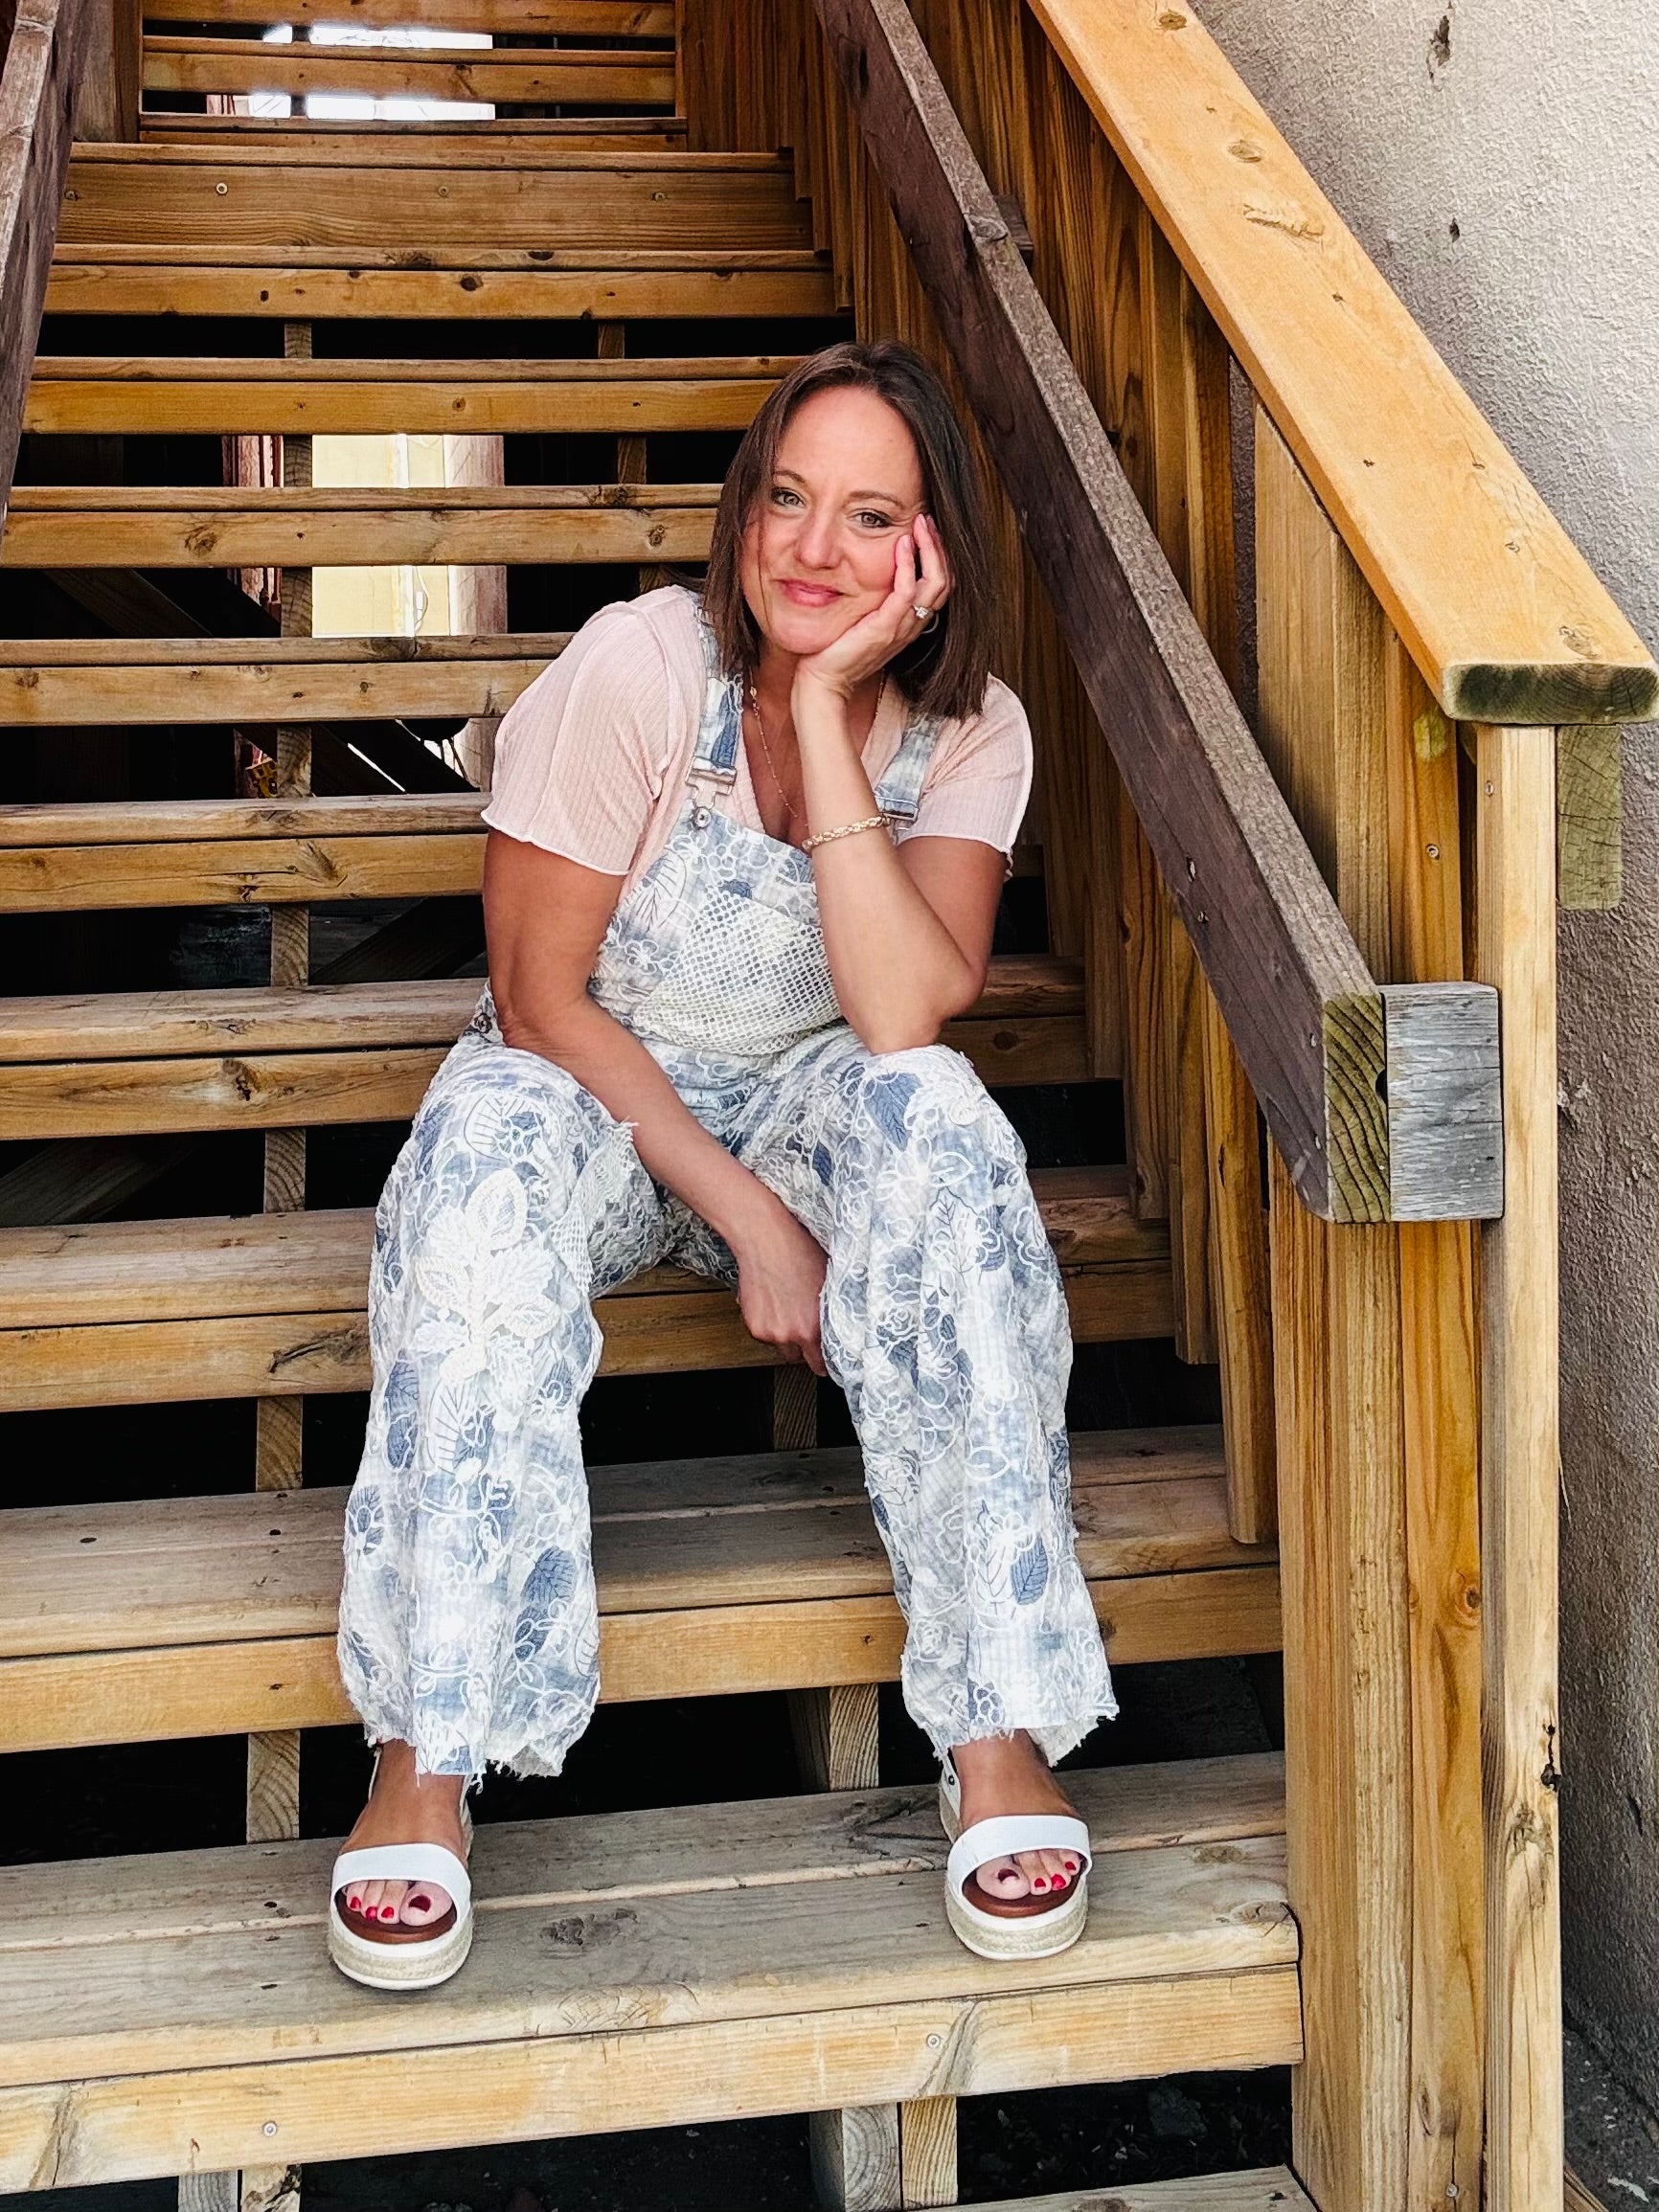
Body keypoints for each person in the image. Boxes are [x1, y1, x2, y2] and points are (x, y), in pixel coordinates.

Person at [326, 339, 1117, 1991]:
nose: (815, 549)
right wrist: (747, 1212)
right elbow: (540, 994)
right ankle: (428, 1744)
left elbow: (903, 1015)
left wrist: (829, 712)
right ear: (745, 510)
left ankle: (998, 1731)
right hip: (589, 1082)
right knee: (476, 1163)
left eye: (870, 515)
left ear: (931, 553)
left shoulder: (969, 736)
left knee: (953, 1132)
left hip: (822, 1089)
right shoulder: (639, 667)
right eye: (790, 498)